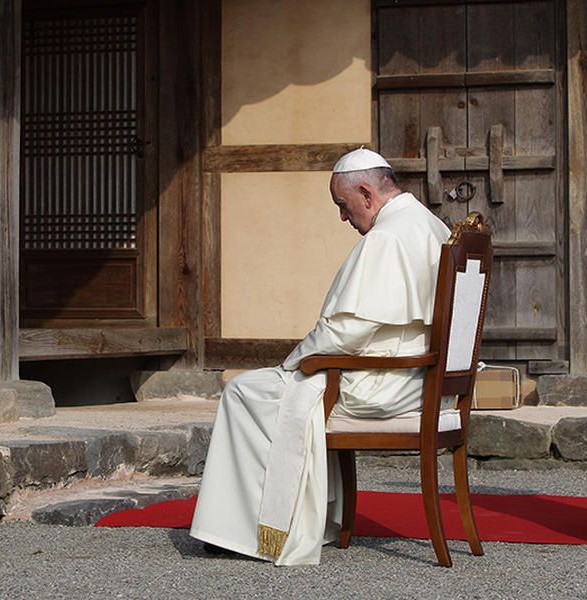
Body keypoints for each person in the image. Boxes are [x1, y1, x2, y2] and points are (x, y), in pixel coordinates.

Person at [189, 148, 451, 565]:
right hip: (419, 379)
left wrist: (293, 360)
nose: (344, 219)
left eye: (344, 207)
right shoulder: (430, 224)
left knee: (242, 391)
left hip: (381, 383)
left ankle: (248, 530)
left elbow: (347, 332)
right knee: (269, 390)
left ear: (366, 193)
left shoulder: (387, 237)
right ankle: (305, 517)